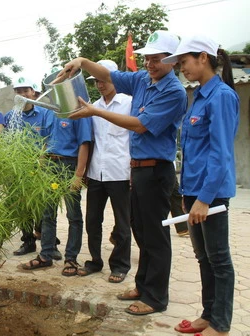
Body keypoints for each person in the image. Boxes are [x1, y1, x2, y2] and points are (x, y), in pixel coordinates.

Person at [56, 30, 187, 314]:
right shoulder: (142, 79)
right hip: (138, 169)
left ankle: (155, 298)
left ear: (173, 61)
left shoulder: (173, 92)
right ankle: (143, 285)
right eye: (147, 58)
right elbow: (108, 74)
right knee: (140, 230)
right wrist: (82, 61)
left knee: (154, 236)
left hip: (156, 170)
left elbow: (140, 125)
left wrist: (96, 112)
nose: (150, 64)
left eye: (156, 59)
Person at [162, 35, 239, 336]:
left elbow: (221, 153)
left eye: (183, 62)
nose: (181, 68)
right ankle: (208, 315)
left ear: (203, 57)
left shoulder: (221, 96)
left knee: (219, 259)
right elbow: (194, 152)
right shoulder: (201, 95)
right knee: (203, 257)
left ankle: (221, 325)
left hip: (212, 194)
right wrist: (187, 195)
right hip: (195, 193)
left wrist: (204, 198)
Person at [22, 101, 92, 276]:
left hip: (69, 165)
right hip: (50, 165)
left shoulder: (78, 110)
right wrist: (41, 166)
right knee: (47, 213)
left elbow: (84, 143)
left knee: (73, 214)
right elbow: (44, 141)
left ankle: (71, 258)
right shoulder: (48, 112)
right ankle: (46, 254)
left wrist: (78, 174)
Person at [77, 60, 132, 283]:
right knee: (92, 220)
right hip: (96, 173)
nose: (100, 84)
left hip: (121, 172)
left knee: (122, 222)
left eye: (104, 79)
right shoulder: (92, 107)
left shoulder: (129, 103)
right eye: (96, 80)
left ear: (115, 78)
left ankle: (120, 265)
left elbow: (135, 137)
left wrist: (133, 172)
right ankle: (95, 260)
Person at [4, 76, 61, 258]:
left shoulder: (45, 114)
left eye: (25, 91)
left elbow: (50, 140)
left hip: (41, 167)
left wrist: (41, 161)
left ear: (34, 93)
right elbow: (6, 141)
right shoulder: (10, 116)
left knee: (45, 207)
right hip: (18, 169)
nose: (22, 94)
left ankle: (49, 244)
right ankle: (28, 241)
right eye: (18, 91)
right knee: (22, 207)